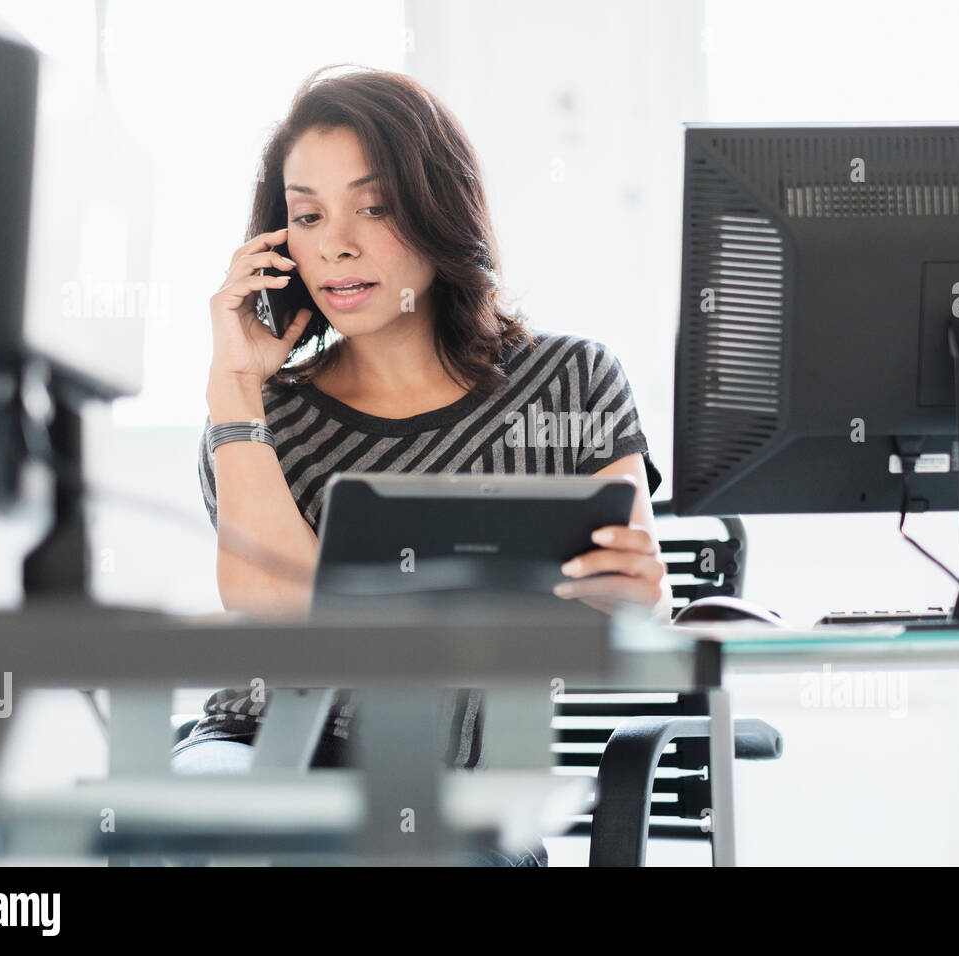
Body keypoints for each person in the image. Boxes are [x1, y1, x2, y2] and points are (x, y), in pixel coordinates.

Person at [174, 65, 670, 867]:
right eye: (307, 215)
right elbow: (282, 606)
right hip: (256, 753)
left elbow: (629, 604)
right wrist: (234, 390)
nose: (336, 241)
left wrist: (637, 596)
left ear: (440, 207)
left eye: (374, 206)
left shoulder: (571, 381)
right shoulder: (260, 420)